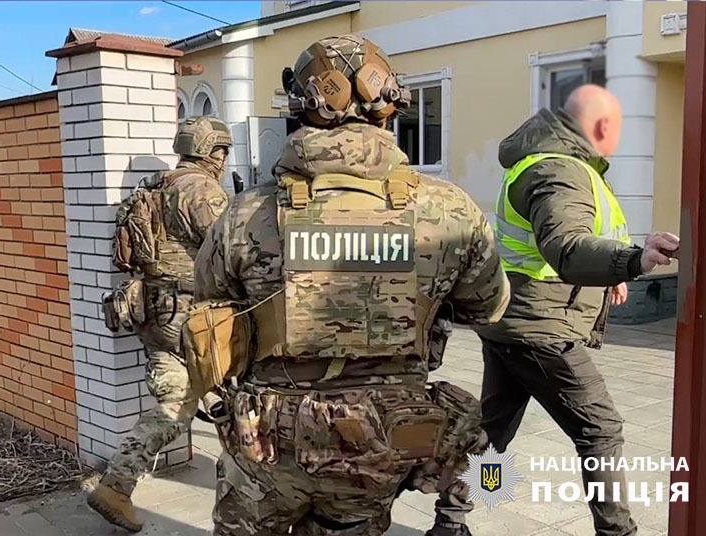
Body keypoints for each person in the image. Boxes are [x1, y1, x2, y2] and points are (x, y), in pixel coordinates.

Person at [191, 34, 510, 536]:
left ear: (301, 106)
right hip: (382, 437)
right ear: (390, 106)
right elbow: (487, 307)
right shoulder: (450, 209)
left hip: (267, 443)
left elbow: (210, 304)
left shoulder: (245, 212)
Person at [447, 84, 679, 536]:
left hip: (513, 318)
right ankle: (618, 532)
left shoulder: (546, 162)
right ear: (601, 126)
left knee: (494, 433)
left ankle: (451, 520)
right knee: (601, 429)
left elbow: (564, 242)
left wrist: (610, 271)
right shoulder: (558, 170)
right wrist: (633, 260)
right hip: (538, 327)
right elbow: (567, 247)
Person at [87, 116, 233, 533]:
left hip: (153, 313)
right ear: (210, 151)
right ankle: (244, 495)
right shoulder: (202, 190)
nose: (224, 159)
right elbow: (232, 251)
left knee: (173, 405)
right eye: (222, 150)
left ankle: (116, 486)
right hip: (196, 318)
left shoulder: (153, 185)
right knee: (240, 398)